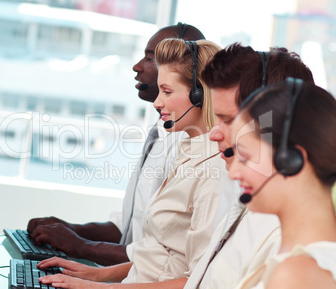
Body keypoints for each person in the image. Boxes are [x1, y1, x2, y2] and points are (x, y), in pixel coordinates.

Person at [36, 38, 237, 288]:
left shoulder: (214, 172)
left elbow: (198, 281)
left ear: (199, 94)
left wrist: (96, 288)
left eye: (167, 91)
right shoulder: (188, 153)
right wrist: (94, 275)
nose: (157, 103)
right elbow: (161, 258)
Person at [26, 23, 206, 266]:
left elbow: (164, 254)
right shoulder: (161, 130)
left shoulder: (187, 143)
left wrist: (81, 246)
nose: (137, 66)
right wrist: (67, 230)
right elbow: (129, 225)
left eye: (150, 58)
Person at [184, 43, 315, 289]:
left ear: (275, 122)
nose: (213, 134)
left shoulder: (289, 242)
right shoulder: (249, 203)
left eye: (229, 120)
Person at [231, 79, 336, 288]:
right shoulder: (300, 258)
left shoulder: (297, 275)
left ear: (290, 160)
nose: (233, 173)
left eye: (244, 157)